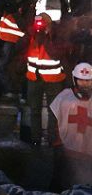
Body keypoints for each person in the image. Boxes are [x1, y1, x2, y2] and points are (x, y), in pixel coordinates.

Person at [25, 13, 69, 146]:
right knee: (34, 109)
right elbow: (20, 47)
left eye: (43, 23)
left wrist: (46, 36)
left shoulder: (57, 35)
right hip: (34, 77)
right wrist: (31, 33)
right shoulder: (32, 34)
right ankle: (35, 139)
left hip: (53, 79)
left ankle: (52, 139)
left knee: (53, 111)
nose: (40, 25)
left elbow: (57, 53)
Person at [49, 62, 92, 155]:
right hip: (66, 150)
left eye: (88, 81)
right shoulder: (64, 96)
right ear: (74, 80)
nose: (84, 84)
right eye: (81, 80)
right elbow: (55, 122)